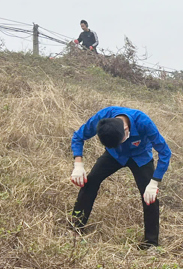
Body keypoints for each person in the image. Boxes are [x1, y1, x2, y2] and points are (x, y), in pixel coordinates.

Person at [69, 106, 171, 250]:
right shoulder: (103, 117)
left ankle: (151, 244)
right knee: (90, 181)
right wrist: (78, 164)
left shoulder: (144, 122)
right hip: (114, 155)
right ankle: (75, 228)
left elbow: (165, 153)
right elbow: (79, 136)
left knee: (149, 196)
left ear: (126, 129)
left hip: (140, 157)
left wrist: (154, 182)